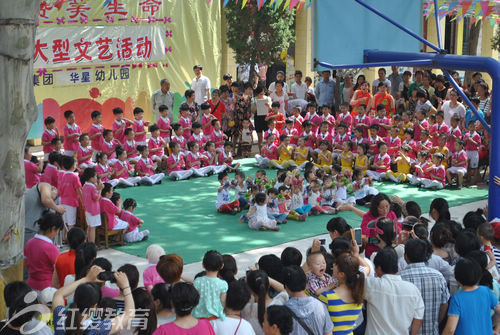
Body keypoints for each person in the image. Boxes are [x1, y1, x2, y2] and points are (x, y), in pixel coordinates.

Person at [52, 265, 135, 335]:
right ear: (94, 306)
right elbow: (129, 315)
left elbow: (58, 294)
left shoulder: (60, 317)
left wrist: (86, 279)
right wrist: (126, 287)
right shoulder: (97, 328)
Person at [364, 247, 424, 335]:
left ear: (379, 268)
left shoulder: (371, 284)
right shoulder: (413, 290)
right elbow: (418, 320)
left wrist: (356, 254)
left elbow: (353, 279)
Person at [399, 239, 449, 335]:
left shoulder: (400, 278)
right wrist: (436, 322)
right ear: (426, 256)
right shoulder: (438, 276)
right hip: (432, 331)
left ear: (405, 257)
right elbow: (444, 304)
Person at [442, 258, 500, 335]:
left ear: (457, 278)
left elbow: (450, 329)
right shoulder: (486, 291)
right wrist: (495, 328)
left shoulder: (457, 299)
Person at [319, 253, 364, 335]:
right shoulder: (359, 294)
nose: (333, 264)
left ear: (341, 274)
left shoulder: (327, 297)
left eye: (336, 264)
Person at [282, 265, 333, 335]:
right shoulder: (320, 306)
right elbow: (328, 333)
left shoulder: (283, 311)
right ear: (306, 283)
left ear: (286, 288)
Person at [24, 212, 63, 291]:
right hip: (47, 287)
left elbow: (25, 264)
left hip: (31, 285)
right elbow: (59, 270)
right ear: (53, 229)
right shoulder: (51, 248)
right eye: (58, 230)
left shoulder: (29, 242)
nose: (57, 233)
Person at [242, 270, 288, 335]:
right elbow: (284, 289)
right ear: (269, 284)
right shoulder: (279, 303)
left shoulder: (246, 310)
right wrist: (266, 278)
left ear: (250, 291)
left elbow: (250, 301)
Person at [192, 250, 228, 320]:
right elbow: (223, 301)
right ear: (222, 266)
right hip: (215, 317)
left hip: (198, 317)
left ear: (203, 264)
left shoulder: (197, 281)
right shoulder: (223, 284)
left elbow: (194, 299)